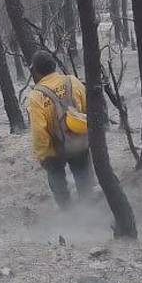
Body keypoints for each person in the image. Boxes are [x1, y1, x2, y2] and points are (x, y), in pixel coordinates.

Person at [28, 50, 93, 208]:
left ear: (36, 71)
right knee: (84, 182)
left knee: (58, 185)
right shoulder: (72, 81)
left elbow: (39, 132)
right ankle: (89, 209)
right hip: (79, 141)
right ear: (54, 65)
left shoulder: (36, 96)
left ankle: (67, 212)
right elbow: (88, 108)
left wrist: (44, 155)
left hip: (55, 150)